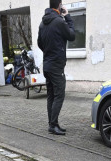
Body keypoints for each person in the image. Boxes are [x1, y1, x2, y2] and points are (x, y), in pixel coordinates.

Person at [37, 0, 76, 135]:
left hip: (47, 64)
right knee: (59, 95)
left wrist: (49, 52)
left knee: (51, 95)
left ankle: (52, 123)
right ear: (59, 5)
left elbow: (39, 43)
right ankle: (53, 125)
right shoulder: (59, 22)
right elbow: (71, 36)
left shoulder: (42, 24)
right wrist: (68, 17)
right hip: (56, 66)